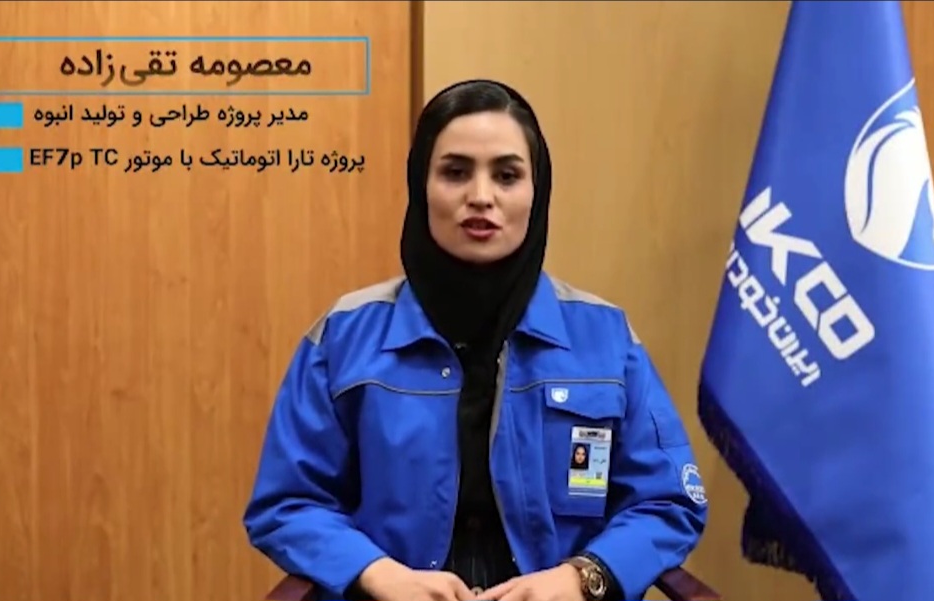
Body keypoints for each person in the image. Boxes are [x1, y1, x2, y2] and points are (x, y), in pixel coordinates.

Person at [243, 79, 708, 601]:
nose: (481, 197)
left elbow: (669, 502)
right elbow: (288, 504)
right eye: (455, 172)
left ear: (537, 191)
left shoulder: (604, 337)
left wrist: (582, 577)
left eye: (507, 175)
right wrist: (379, 574)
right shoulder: (344, 335)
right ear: (421, 185)